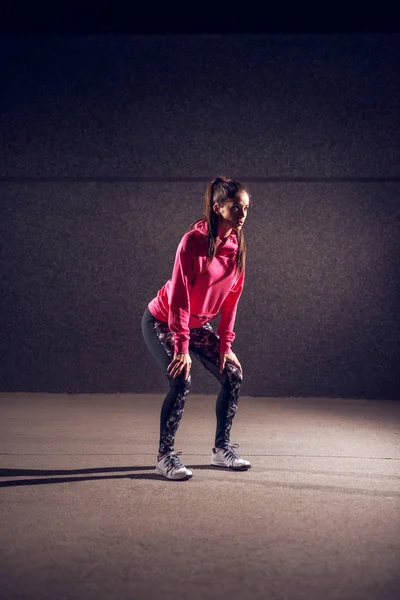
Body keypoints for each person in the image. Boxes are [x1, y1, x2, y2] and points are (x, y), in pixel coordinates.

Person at [141, 176, 251, 481]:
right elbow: (179, 297)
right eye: (235, 207)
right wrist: (181, 348)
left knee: (233, 375)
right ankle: (164, 457)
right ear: (217, 208)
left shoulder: (237, 243)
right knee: (181, 378)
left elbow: (232, 299)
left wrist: (225, 347)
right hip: (162, 320)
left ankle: (221, 450)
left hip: (195, 324)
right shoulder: (192, 242)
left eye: (245, 208)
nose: (242, 214)